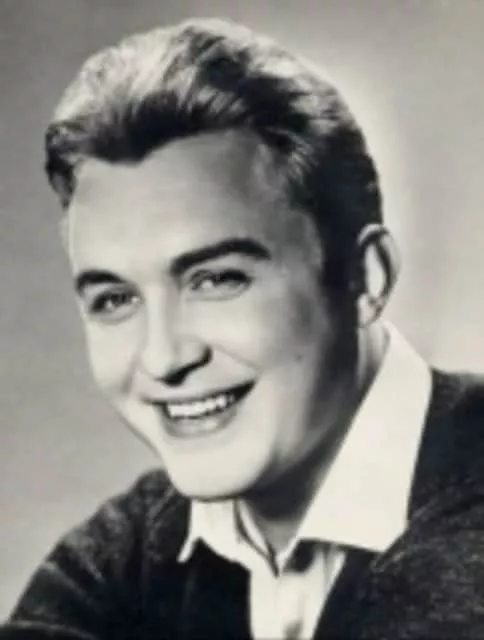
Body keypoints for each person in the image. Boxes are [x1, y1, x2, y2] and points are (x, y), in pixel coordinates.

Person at [4, 17, 484, 640]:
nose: (164, 357)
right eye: (116, 298)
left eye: (217, 280)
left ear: (365, 276)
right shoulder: (137, 547)